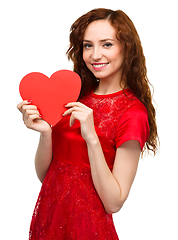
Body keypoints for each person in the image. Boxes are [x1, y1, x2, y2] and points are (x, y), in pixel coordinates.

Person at [17, 8, 159, 240]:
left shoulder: (132, 113)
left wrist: (91, 137)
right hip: (49, 219)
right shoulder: (74, 96)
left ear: (127, 48)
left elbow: (114, 202)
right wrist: (45, 133)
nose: (94, 55)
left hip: (87, 228)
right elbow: (47, 176)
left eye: (107, 44)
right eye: (87, 45)